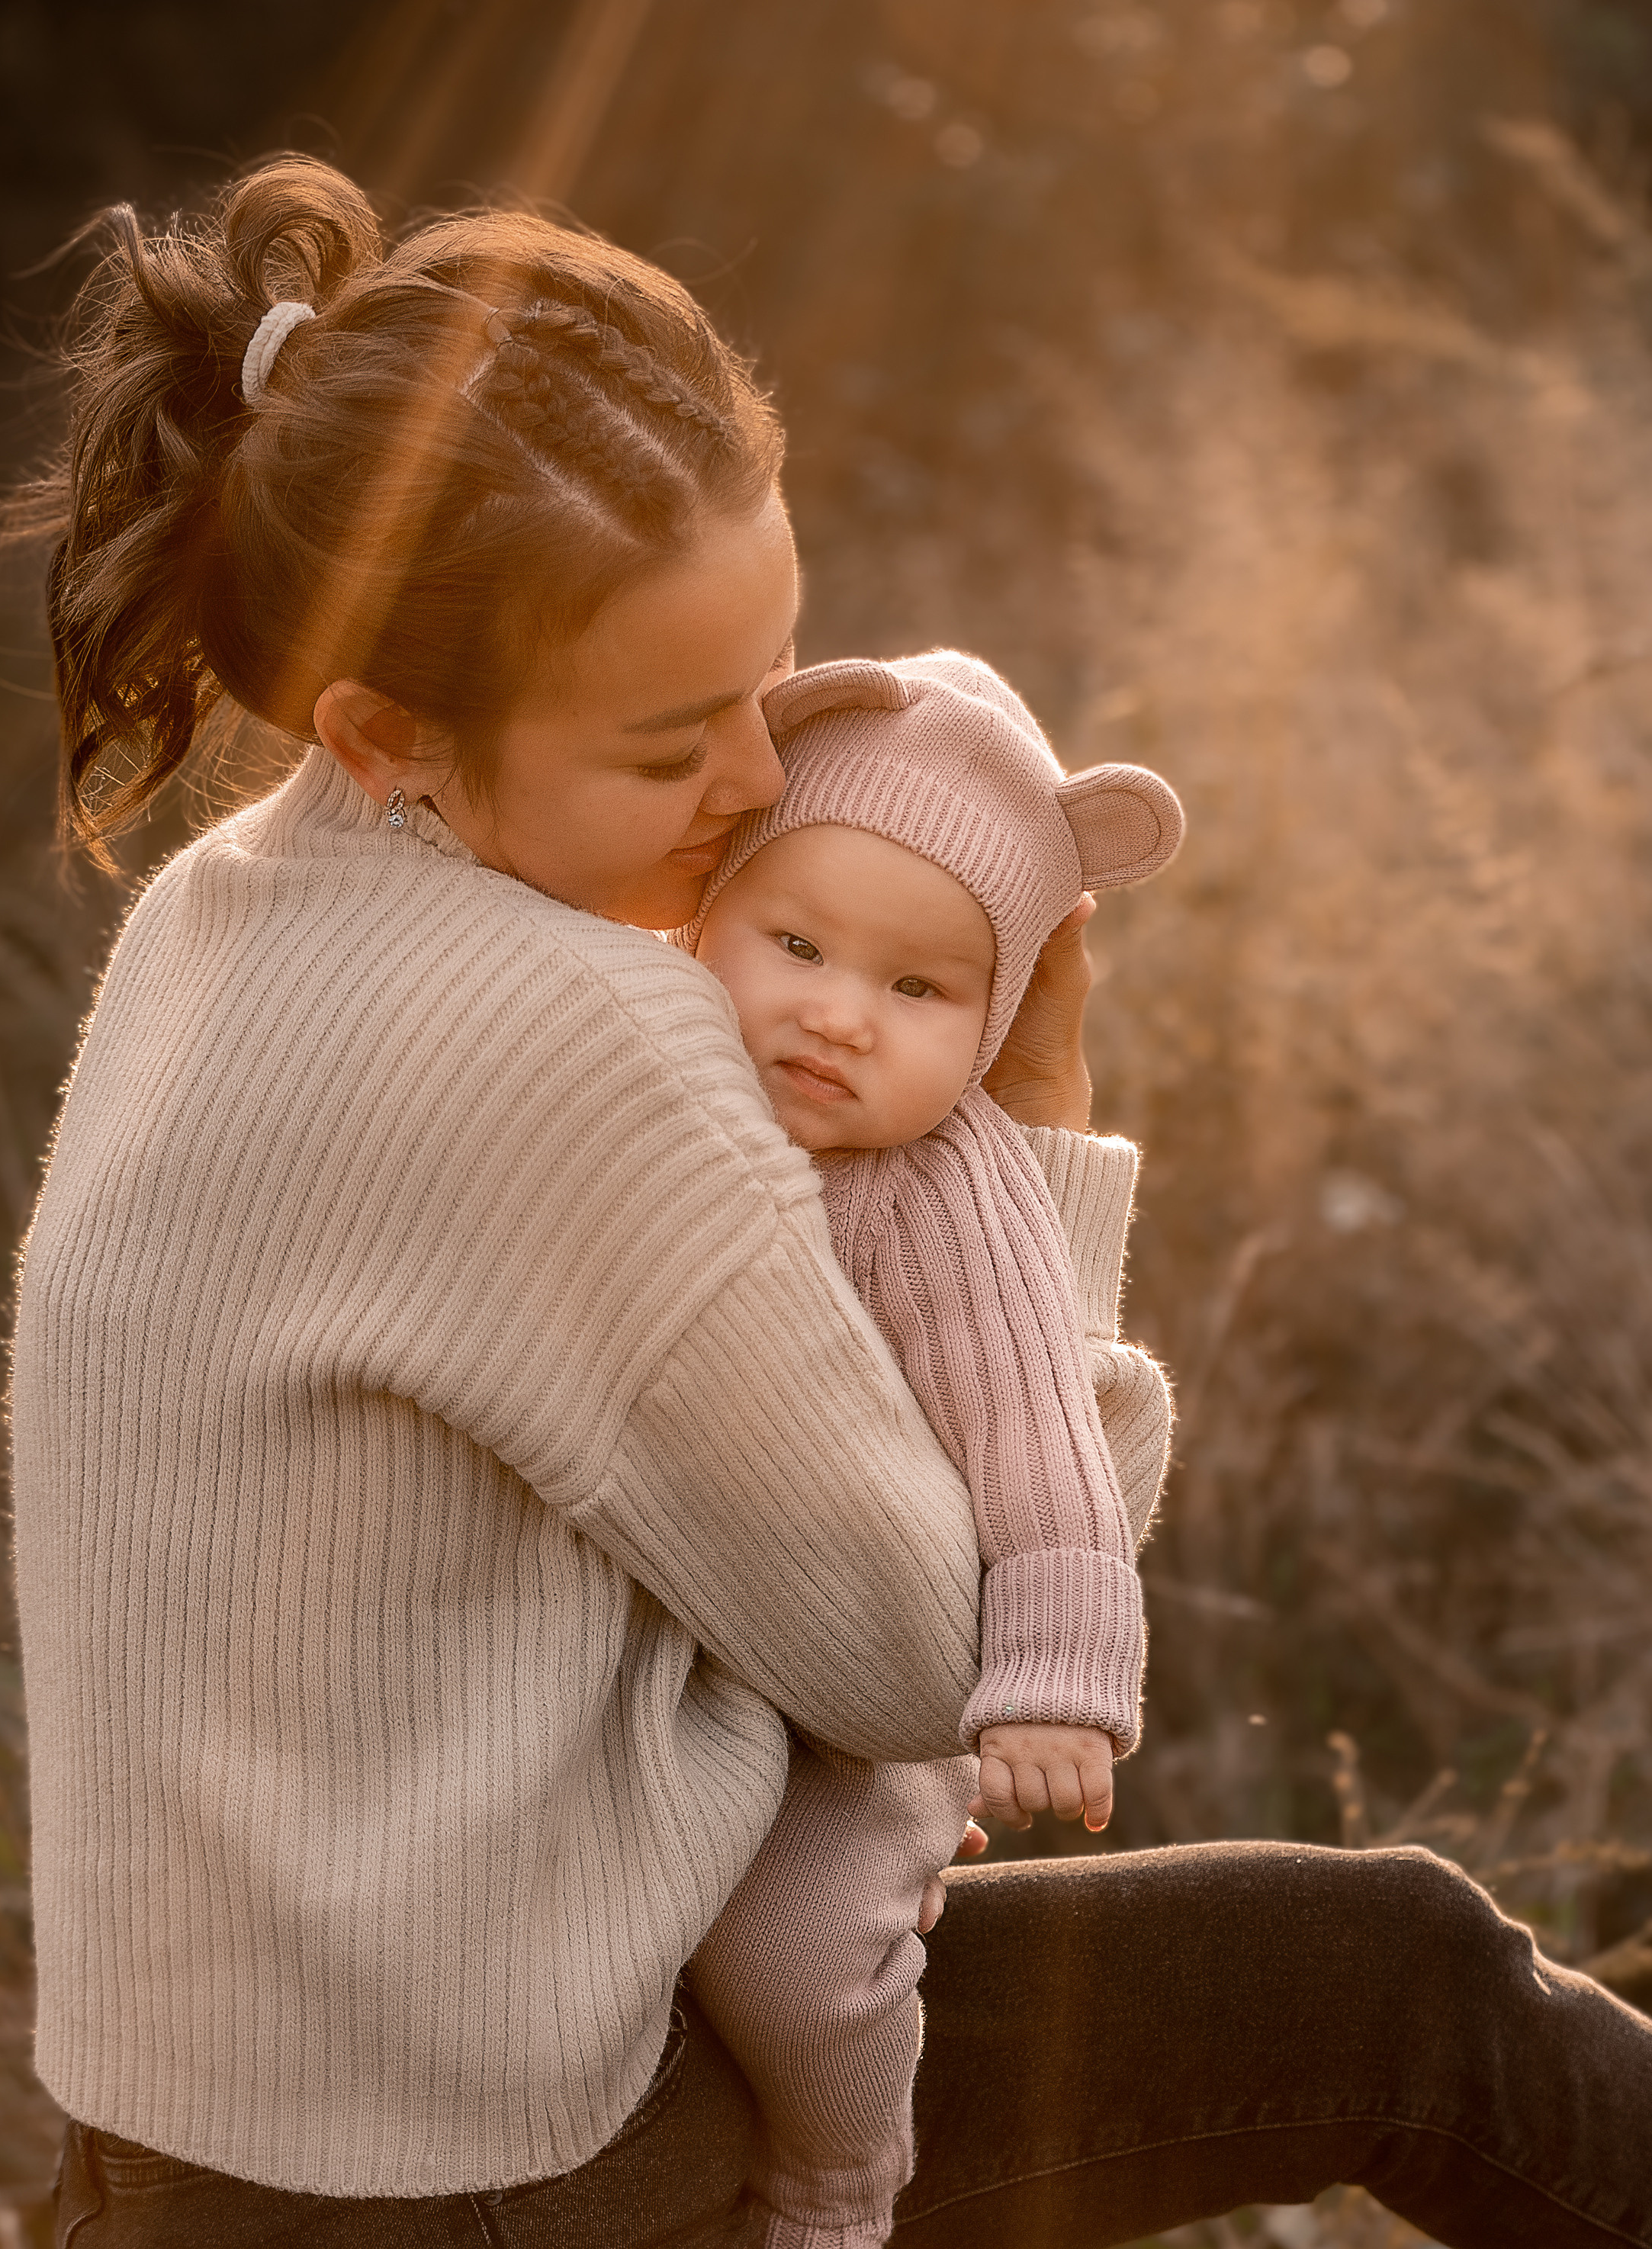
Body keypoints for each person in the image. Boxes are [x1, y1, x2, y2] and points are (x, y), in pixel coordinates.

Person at [3, 155, 1652, 2248]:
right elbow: (933, 1654)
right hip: (500, 2181)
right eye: (677, 736)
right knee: (1403, 1994)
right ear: (389, 725)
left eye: (774, 688)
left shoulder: (222, 910)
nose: (765, 785)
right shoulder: (581, 1031)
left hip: (172, 2160)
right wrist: (1031, 1137)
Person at [682, 648, 1184, 2249]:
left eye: (917, 990)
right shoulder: (640, 1077)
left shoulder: (943, 1188)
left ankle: (837, 2186)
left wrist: (1049, 1682)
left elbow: (1037, 1437)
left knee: (799, 1952)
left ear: (987, 1023)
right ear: (707, 916)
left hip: (853, 1726)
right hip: (667, 1656)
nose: (837, 1013)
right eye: (799, 943)